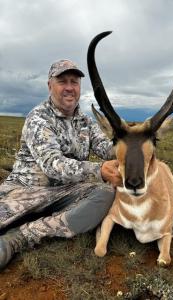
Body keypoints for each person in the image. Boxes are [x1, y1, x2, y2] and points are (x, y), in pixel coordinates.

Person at [0, 59, 122, 270]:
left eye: (74, 82)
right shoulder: (38, 119)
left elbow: (106, 148)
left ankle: (22, 237)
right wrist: (98, 170)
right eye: (62, 81)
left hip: (64, 193)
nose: (69, 87)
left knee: (104, 193)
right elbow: (53, 165)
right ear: (50, 86)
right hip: (27, 191)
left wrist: (133, 145)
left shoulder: (84, 121)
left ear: (79, 87)